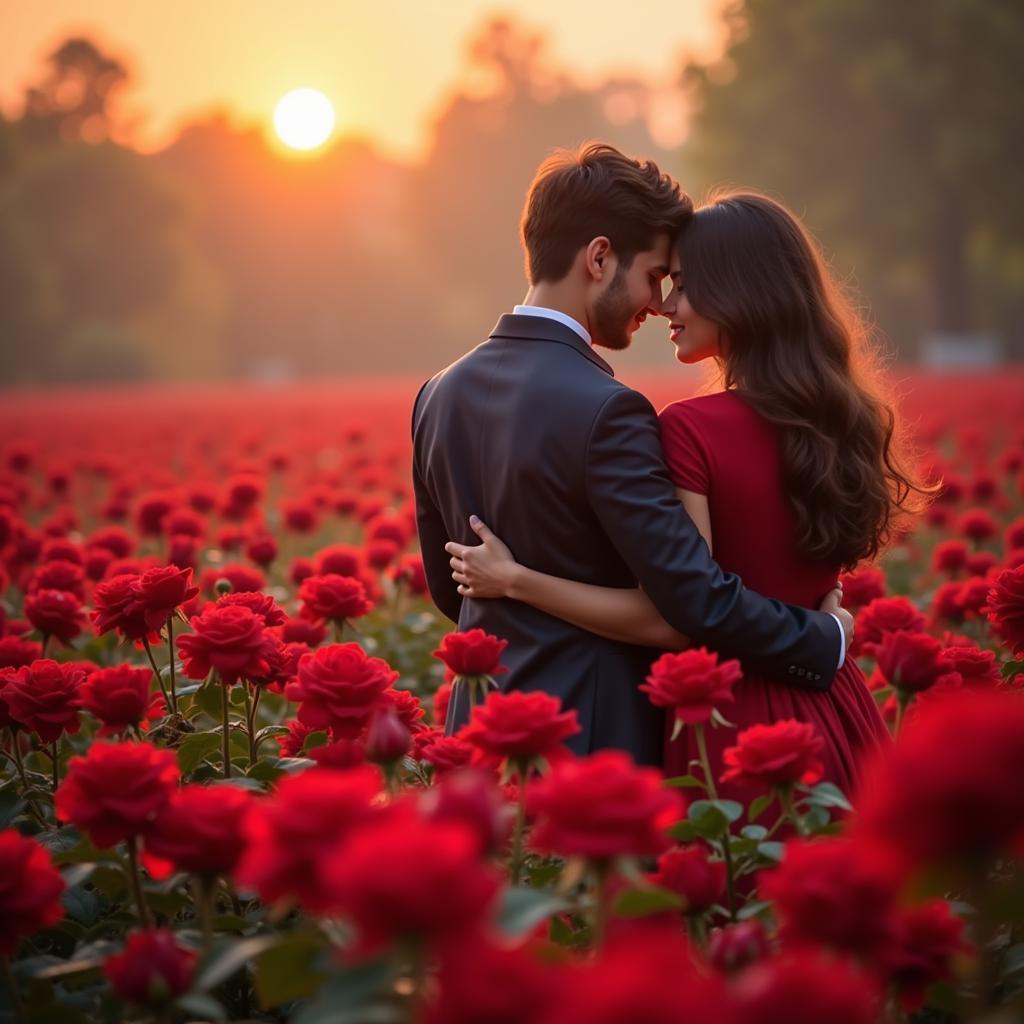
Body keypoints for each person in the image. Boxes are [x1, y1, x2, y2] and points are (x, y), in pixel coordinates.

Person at [446, 189, 930, 795]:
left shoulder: (691, 429)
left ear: (739, 293)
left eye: (680, 284)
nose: (665, 304)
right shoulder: (844, 417)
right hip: (838, 708)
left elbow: (687, 611)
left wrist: (517, 580)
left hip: (732, 722)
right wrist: (826, 637)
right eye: (663, 279)